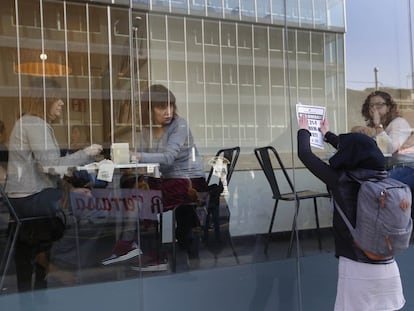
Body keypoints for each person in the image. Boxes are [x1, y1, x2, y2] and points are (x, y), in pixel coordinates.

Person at [297, 115, 405, 311]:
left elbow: (305, 154)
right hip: (389, 267)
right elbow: (360, 148)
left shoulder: (341, 180)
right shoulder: (384, 178)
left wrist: (304, 129)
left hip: (358, 267)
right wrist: (327, 134)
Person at [5, 78, 103, 292]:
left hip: (27, 197)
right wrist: (85, 153)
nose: (61, 103)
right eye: (57, 98)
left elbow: (47, 173)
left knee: (76, 200)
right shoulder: (34, 123)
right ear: (46, 99)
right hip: (29, 199)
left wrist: (71, 190)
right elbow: (51, 166)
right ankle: (69, 270)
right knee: (90, 209)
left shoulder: (32, 123)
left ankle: (46, 272)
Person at [102, 84, 208, 265]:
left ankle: (138, 248)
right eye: (161, 107)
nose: (168, 111)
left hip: (189, 180)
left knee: (142, 196)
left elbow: (167, 158)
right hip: (170, 179)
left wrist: (137, 156)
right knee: (133, 186)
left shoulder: (179, 125)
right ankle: (135, 245)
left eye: (170, 106)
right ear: (149, 109)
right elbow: (143, 155)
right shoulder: (148, 129)